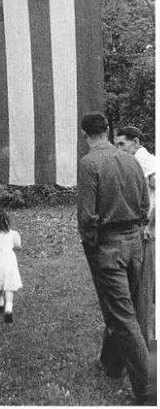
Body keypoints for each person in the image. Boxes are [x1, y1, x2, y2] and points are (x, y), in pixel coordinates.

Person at [77, 112, 153, 405]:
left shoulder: (89, 163)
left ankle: (148, 391)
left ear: (85, 134)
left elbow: (87, 217)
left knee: (123, 316)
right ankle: (111, 364)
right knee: (127, 307)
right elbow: (146, 204)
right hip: (135, 243)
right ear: (107, 130)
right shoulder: (131, 160)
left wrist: (93, 245)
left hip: (108, 246)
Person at [115, 126, 156, 346]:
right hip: (140, 228)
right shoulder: (137, 160)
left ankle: (145, 341)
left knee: (144, 289)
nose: (118, 148)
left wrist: (151, 226)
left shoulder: (143, 160)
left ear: (137, 142)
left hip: (148, 232)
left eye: (122, 144)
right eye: (116, 144)